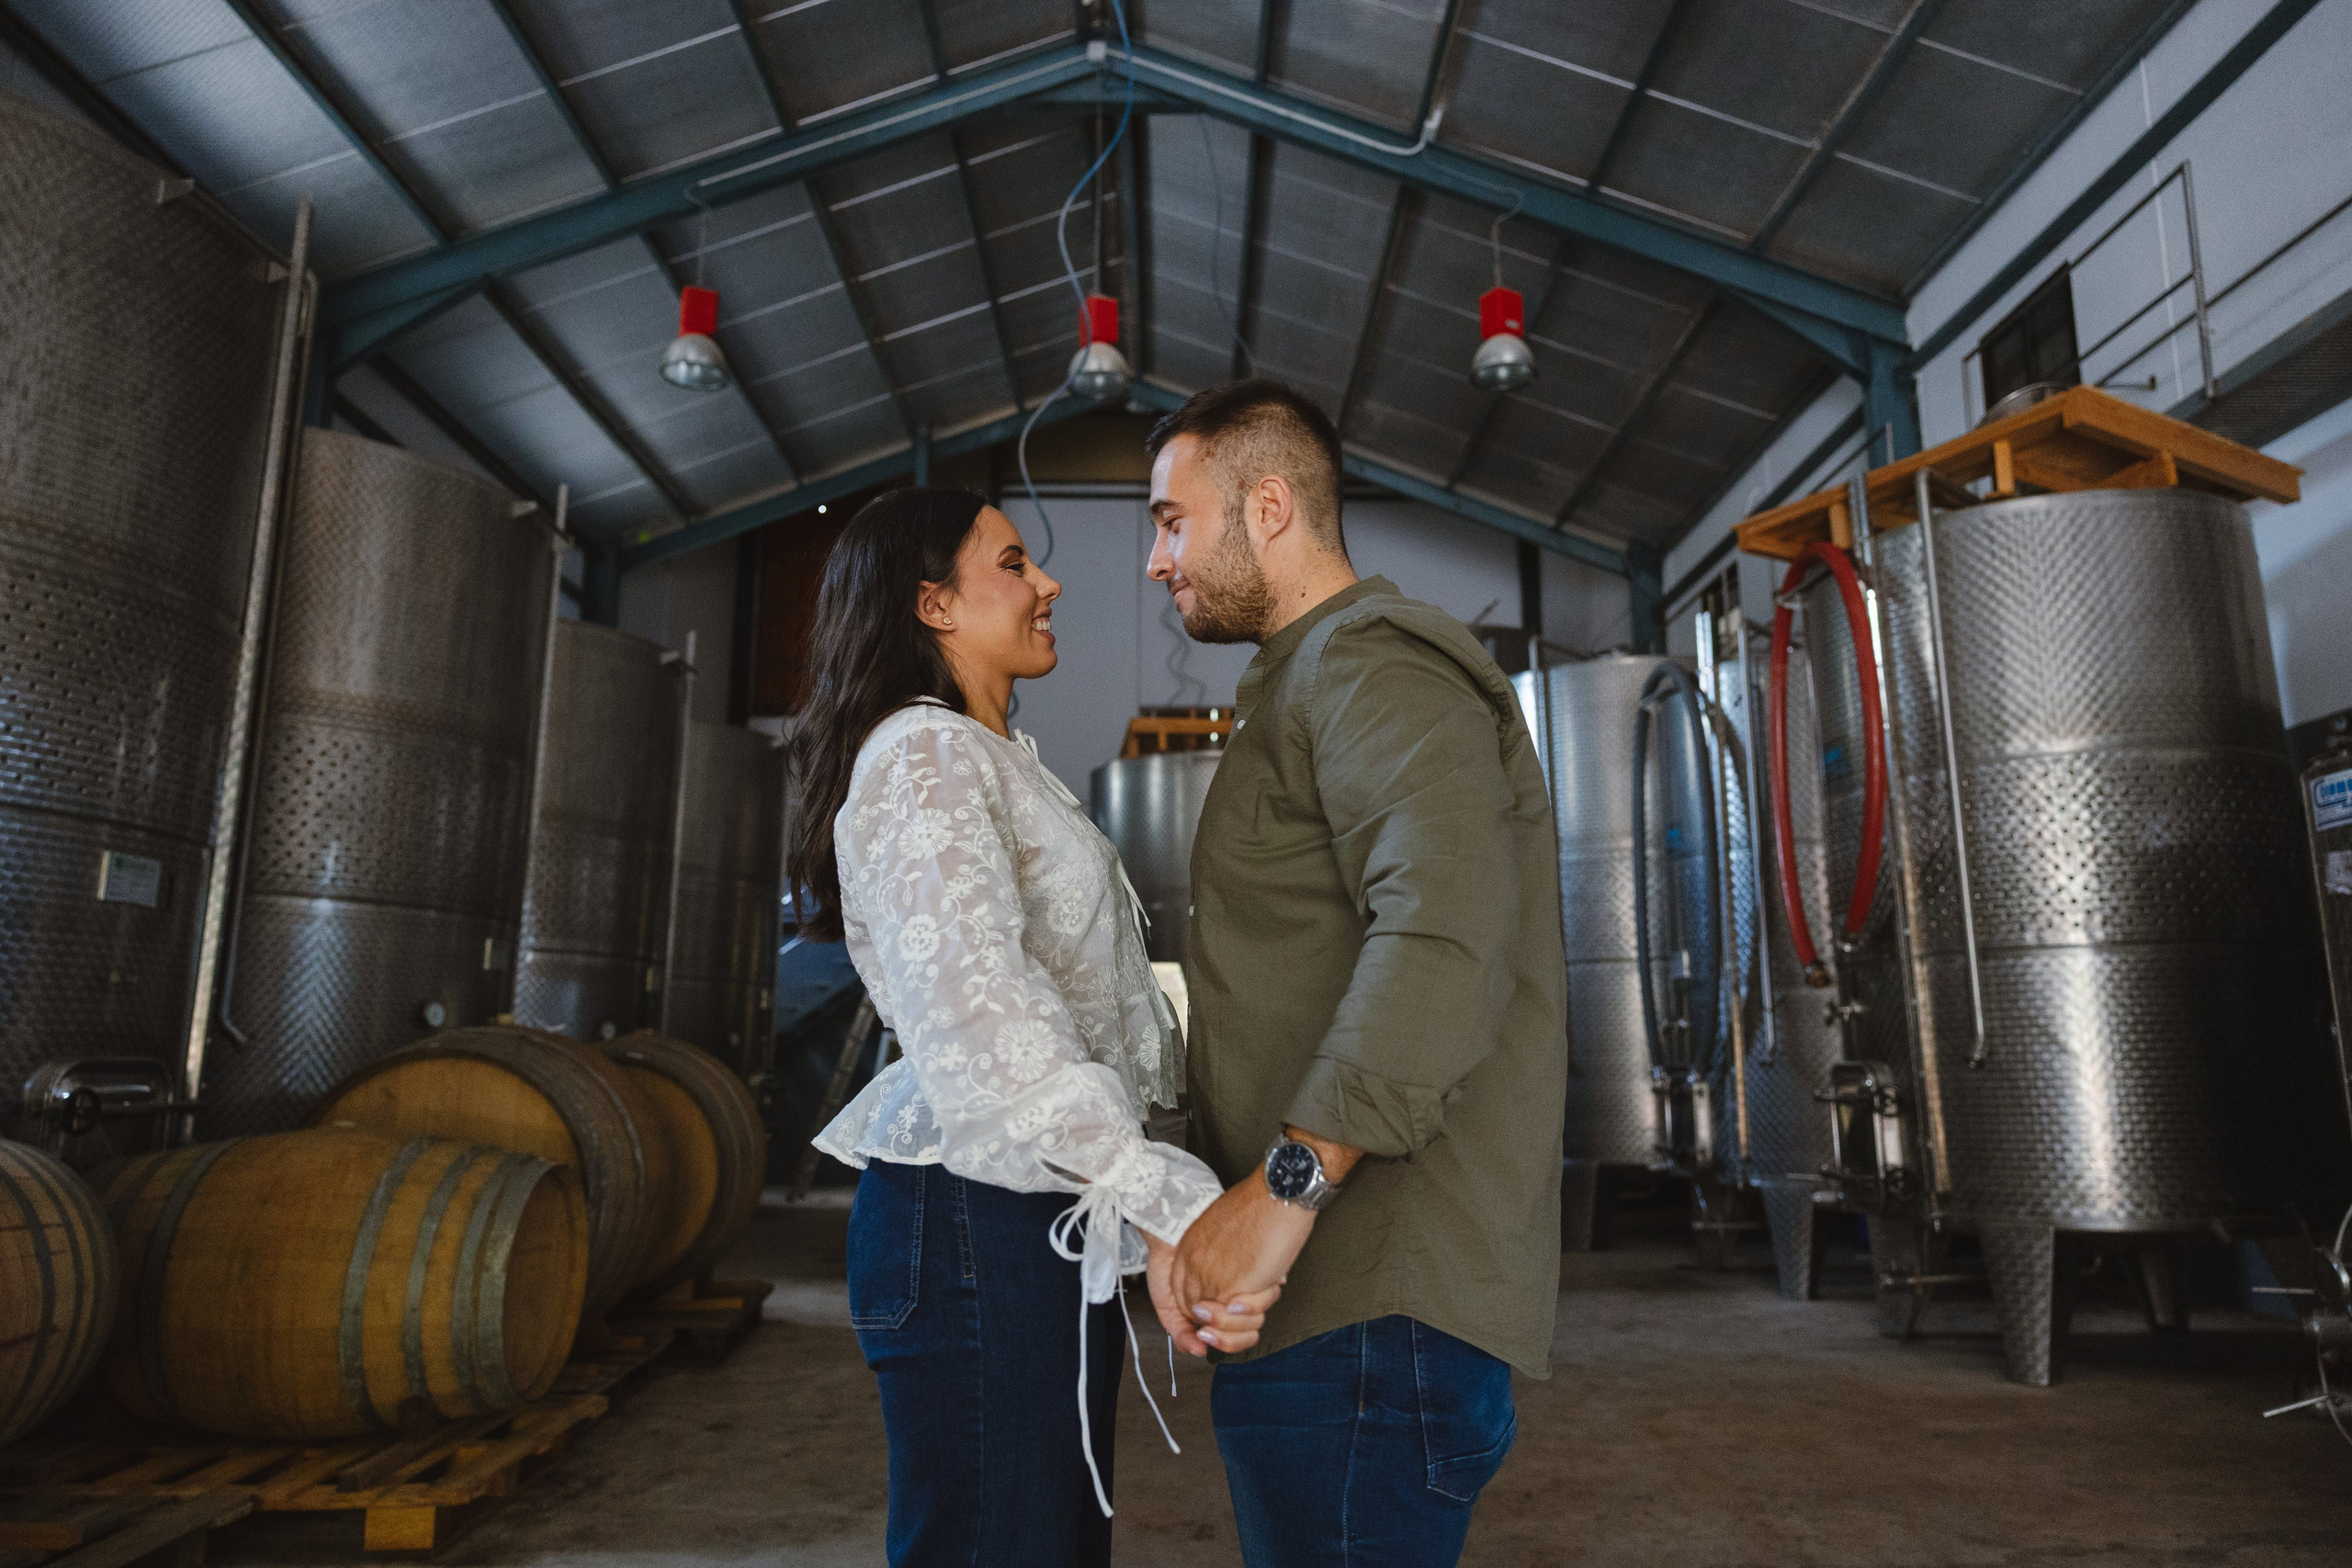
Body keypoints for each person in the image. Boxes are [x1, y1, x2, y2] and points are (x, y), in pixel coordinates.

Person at [790, 488, 1277, 1568]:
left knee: (1043, 1538)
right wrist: (1166, 1208)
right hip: (976, 1217)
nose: (1048, 583)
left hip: (1032, 1211)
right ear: (933, 606)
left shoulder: (993, 758)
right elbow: (983, 1015)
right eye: (1014, 564)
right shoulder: (925, 757)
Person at [1141, 380, 1570, 1568]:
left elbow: (1443, 926)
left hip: (1374, 1312)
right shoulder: (1308, 678)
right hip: (1333, 1308)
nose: (1153, 560)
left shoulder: (1371, 663)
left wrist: (1283, 1189)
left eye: (1173, 521)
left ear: (1266, 505)